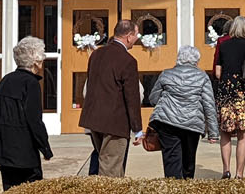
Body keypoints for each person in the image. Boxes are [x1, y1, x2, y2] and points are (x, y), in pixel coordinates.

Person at [80, 19, 143, 177]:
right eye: (136, 34)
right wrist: (137, 129)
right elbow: (132, 97)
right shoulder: (128, 61)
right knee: (110, 169)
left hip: (93, 119)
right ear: (129, 36)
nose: (137, 38)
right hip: (115, 122)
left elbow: (92, 85)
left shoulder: (96, 54)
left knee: (107, 163)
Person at [147, 44, 220, 179]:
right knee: (188, 161)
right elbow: (209, 105)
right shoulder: (202, 77)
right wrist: (213, 133)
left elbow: (153, 99)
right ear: (196, 61)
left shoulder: (166, 74)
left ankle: (173, 188)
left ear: (178, 58)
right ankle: (186, 187)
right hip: (192, 124)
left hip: (167, 122)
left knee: (171, 159)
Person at [0, 37, 53, 190]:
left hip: (5, 149)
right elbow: (34, 120)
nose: (43, 59)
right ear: (35, 60)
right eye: (42, 55)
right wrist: (45, 148)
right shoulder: (30, 83)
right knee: (30, 193)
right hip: (24, 152)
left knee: (10, 192)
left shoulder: (6, 80)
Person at [211, 15, 245, 179]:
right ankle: (239, 173)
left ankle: (226, 170)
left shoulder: (223, 45)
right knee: (243, 134)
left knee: (225, 132)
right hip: (244, 93)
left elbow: (218, 72)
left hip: (226, 93)